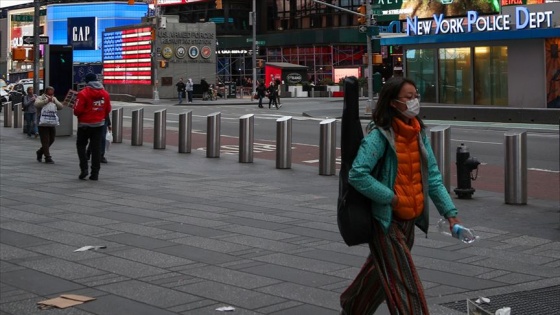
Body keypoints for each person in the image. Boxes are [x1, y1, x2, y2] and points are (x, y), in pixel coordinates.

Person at [340, 77, 461, 315]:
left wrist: (451, 214)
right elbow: (357, 174)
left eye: (416, 95)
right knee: (406, 286)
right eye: (408, 97)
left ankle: (353, 305)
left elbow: (433, 177)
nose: (414, 101)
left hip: (409, 221)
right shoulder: (380, 136)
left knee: (379, 273)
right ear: (393, 102)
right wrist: (391, 198)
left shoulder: (418, 133)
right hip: (386, 222)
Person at [73, 73, 112, 181]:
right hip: (98, 125)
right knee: (96, 148)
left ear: (86, 82)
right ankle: (95, 173)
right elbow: (108, 109)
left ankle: (84, 168)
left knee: (81, 145)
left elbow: (77, 111)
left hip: (84, 125)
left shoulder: (83, 93)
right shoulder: (105, 93)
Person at [34, 86, 64, 164]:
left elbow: (61, 107)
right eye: (49, 90)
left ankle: (40, 152)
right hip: (42, 122)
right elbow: (36, 104)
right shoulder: (40, 97)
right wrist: (46, 101)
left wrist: (54, 101)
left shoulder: (54, 98)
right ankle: (47, 157)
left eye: (52, 90)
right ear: (46, 91)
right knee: (45, 140)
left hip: (51, 121)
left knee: (52, 139)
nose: (51, 92)